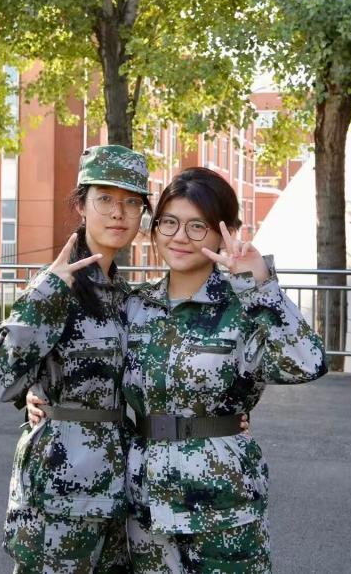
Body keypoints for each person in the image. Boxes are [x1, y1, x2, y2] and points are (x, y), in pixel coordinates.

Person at [122, 167, 327, 572]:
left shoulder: (245, 307)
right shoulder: (134, 306)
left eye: (197, 226)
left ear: (225, 232)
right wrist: (37, 395)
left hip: (223, 503)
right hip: (145, 502)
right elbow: (88, 362)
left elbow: (308, 363)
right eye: (169, 222)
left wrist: (260, 284)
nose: (180, 237)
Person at [0, 144, 151, 572]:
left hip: (116, 481)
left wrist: (225, 415)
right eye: (105, 199)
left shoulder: (124, 295)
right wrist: (47, 295)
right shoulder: (55, 285)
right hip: (61, 483)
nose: (118, 213)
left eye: (132, 202)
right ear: (81, 206)